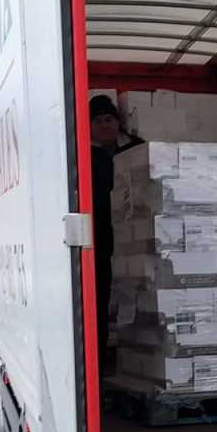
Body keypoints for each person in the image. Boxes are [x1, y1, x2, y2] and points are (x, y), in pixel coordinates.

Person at [88, 94, 141, 374]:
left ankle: (137, 357)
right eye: (97, 121)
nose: (104, 125)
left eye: (109, 119)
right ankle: (99, 364)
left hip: (137, 237)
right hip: (99, 239)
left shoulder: (136, 148)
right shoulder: (83, 156)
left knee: (137, 294)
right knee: (99, 298)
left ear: (118, 122)